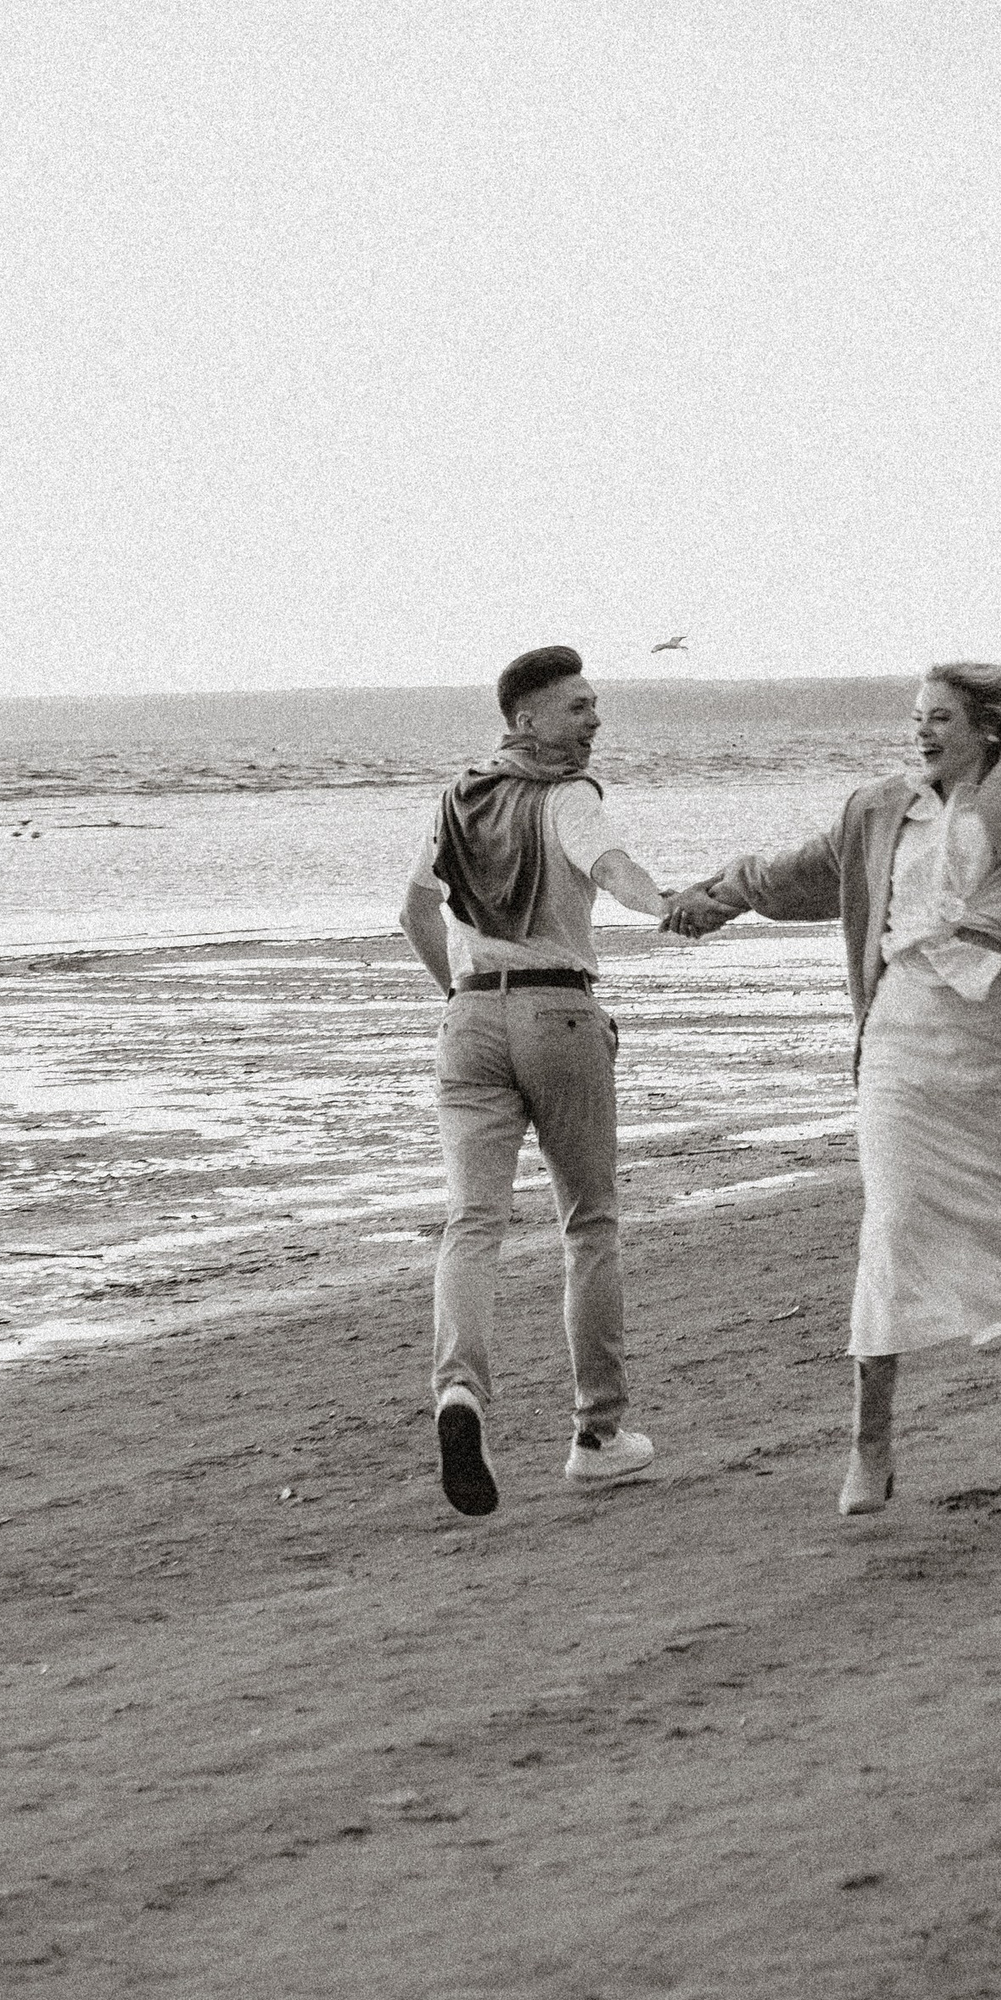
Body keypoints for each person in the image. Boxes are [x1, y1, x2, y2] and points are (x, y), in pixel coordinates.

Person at [665, 534, 1001, 1515]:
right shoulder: (878, 810)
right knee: (894, 1218)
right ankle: (869, 1444)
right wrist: (714, 895)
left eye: (939, 718)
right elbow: (795, 871)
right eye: (914, 716)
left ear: (984, 727)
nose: (920, 731)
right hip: (900, 1042)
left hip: (991, 1039)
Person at [401, 644, 673, 1518]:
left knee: (471, 1223)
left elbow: (413, 910)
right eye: (575, 709)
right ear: (525, 720)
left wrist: (466, 997)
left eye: (595, 706)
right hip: (559, 1013)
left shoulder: (462, 795)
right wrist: (674, 905)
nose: (593, 721)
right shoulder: (570, 796)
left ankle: (459, 1395)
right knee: (588, 1223)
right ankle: (597, 1436)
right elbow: (610, 866)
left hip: (469, 1019)